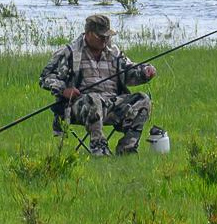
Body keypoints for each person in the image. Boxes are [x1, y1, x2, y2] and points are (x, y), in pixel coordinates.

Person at [39, 14, 156, 156]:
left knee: (143, 99)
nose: (105, 40)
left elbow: (130, 72)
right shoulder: (70, 52)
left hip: (113, 104)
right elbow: (45, 77)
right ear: (88, 34)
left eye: (107, 36)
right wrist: (64, 90)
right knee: (93, 99)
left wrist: (145, 72)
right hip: (79, 106)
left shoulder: (114, 52)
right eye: (101, 36)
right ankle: (99, 148)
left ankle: (127, 148)